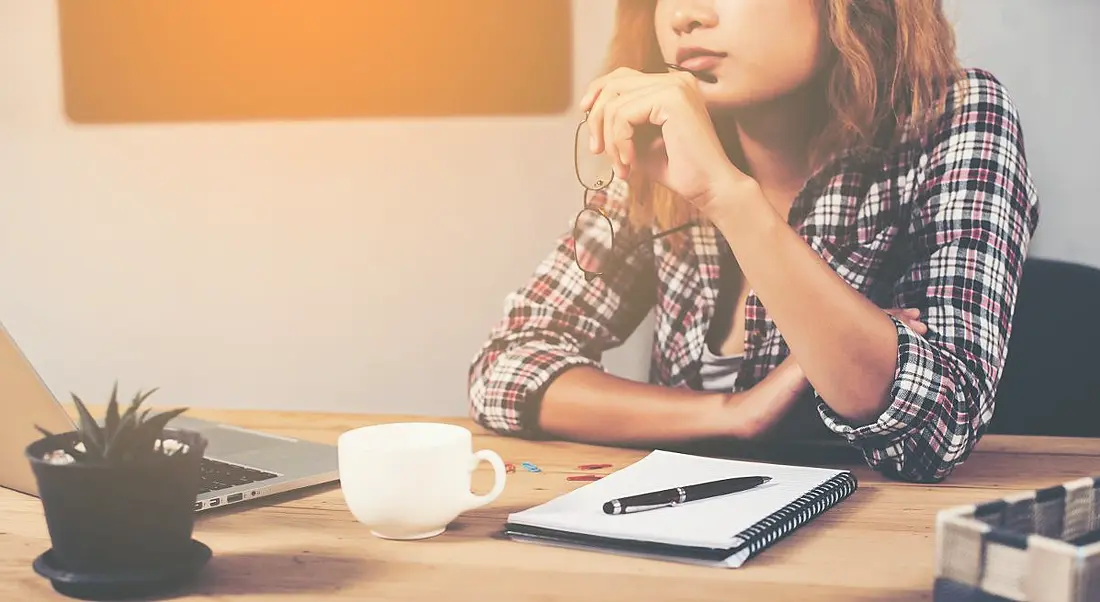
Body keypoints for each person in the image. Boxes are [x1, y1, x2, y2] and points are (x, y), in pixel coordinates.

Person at [467, 0, 1039, 484]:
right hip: (682, 537)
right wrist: (732, 412)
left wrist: (729, 198)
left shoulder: (958, 115)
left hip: (867, 542)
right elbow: (506, 366)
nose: (686, 16)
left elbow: (937, 429)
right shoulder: (664, 144)